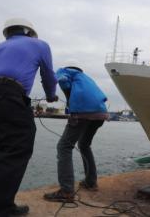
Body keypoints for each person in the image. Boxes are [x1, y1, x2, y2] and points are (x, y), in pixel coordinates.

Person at [0, 18, 58, 216]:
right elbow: (48, 74)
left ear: (7, 33)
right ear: (30, 32)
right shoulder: (40, 45)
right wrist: (51, 96)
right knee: (17, 144)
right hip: (6, 90)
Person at [44, 65, 108, 203]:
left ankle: (66, 191)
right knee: (84, 144)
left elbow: (61, 80)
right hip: (101, 113)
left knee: (64, 147)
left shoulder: (64, 71)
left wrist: (67, 96)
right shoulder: (86, 77)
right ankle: (91, 182)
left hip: (82, 112)